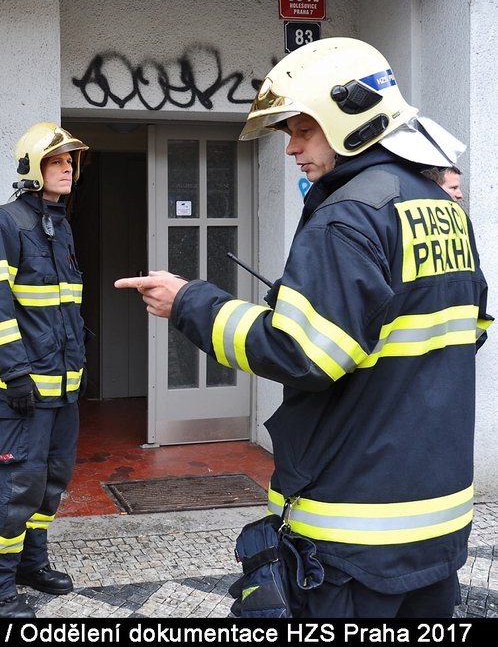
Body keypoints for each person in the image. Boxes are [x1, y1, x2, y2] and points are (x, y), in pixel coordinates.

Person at [116, 37, 491, 618]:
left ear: (351, 121)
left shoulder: (347, 217)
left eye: (302, 130)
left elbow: (303, 355)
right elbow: (471, 329)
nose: (291, 148)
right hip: (438, 521)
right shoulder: (439, 207)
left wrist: (190, 301)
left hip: (356, 529)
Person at [0, 122, 89, 618]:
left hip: (64, 387)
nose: (67, 168)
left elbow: (64, 309)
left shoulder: (60, 226)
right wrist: (15, 374)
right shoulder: (5, 223)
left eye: (70, 161)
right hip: (25, 389)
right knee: (16, 487)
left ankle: (27, 565)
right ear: (33, 167)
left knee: (49, 484)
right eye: (57, 160)